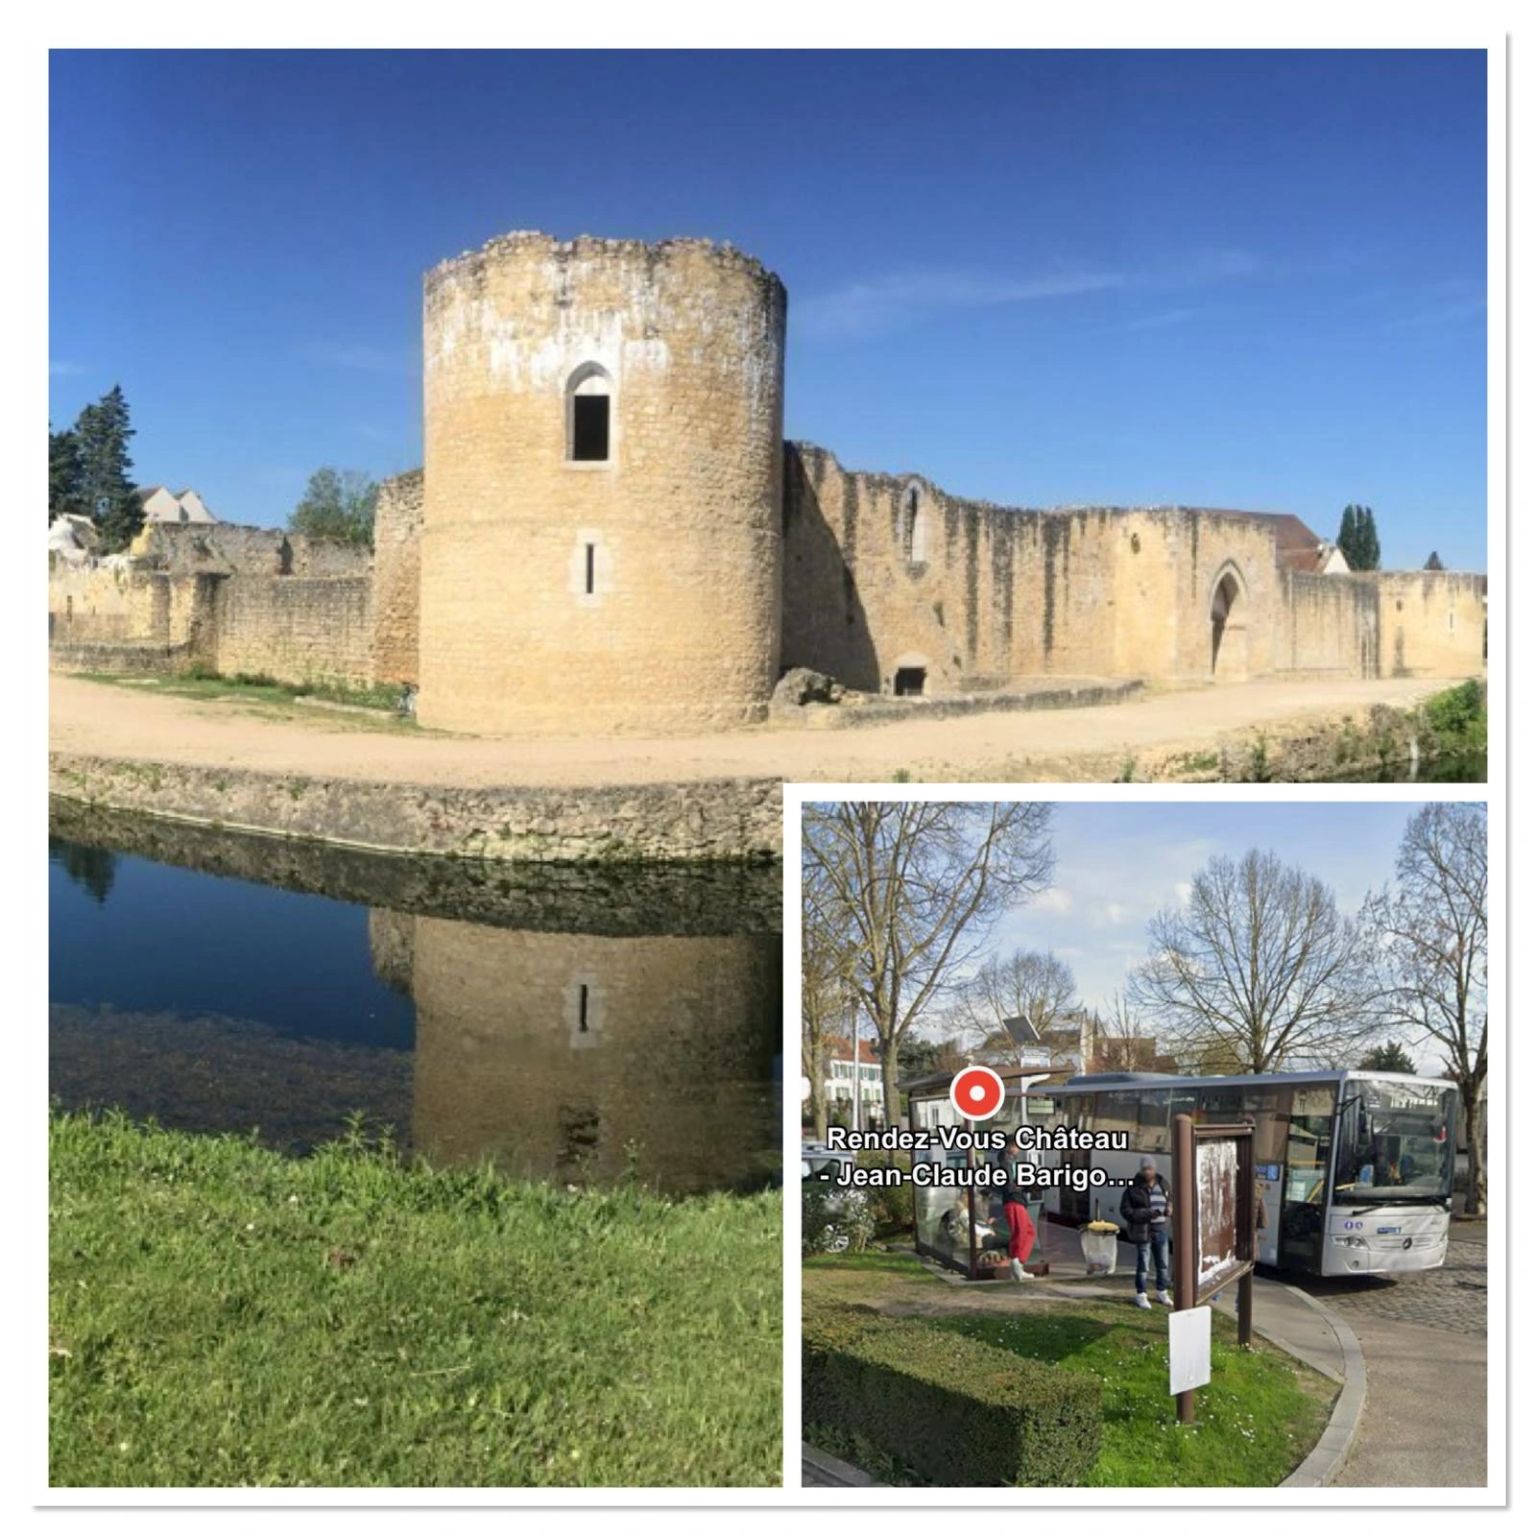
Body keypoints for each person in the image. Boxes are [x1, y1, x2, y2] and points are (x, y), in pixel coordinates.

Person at [1121, 1156, 1173, 1309]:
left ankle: (1161, 1291)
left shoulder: (1163, 1183)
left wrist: (1170, 1208)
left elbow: (1171, 1199)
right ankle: (1141, 1295)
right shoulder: (1132, 1188)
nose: (1148, 1171)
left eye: (1150, 1168)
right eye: (1145, 1169)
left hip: (1161, 1230)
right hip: (1143, 1232)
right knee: (1143, 1265)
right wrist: (1148, 1214)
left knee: (1163, 1264)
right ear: (1141, 1170)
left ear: (1154, 1169)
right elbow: (1126, 1211)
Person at [1002, 1192, 1037, 1282]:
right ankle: (1016, 1261)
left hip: (1015, 1201)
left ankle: (1017, 1265)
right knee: (1021, 1232)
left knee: (1028, 1232)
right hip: (1015, 1201)